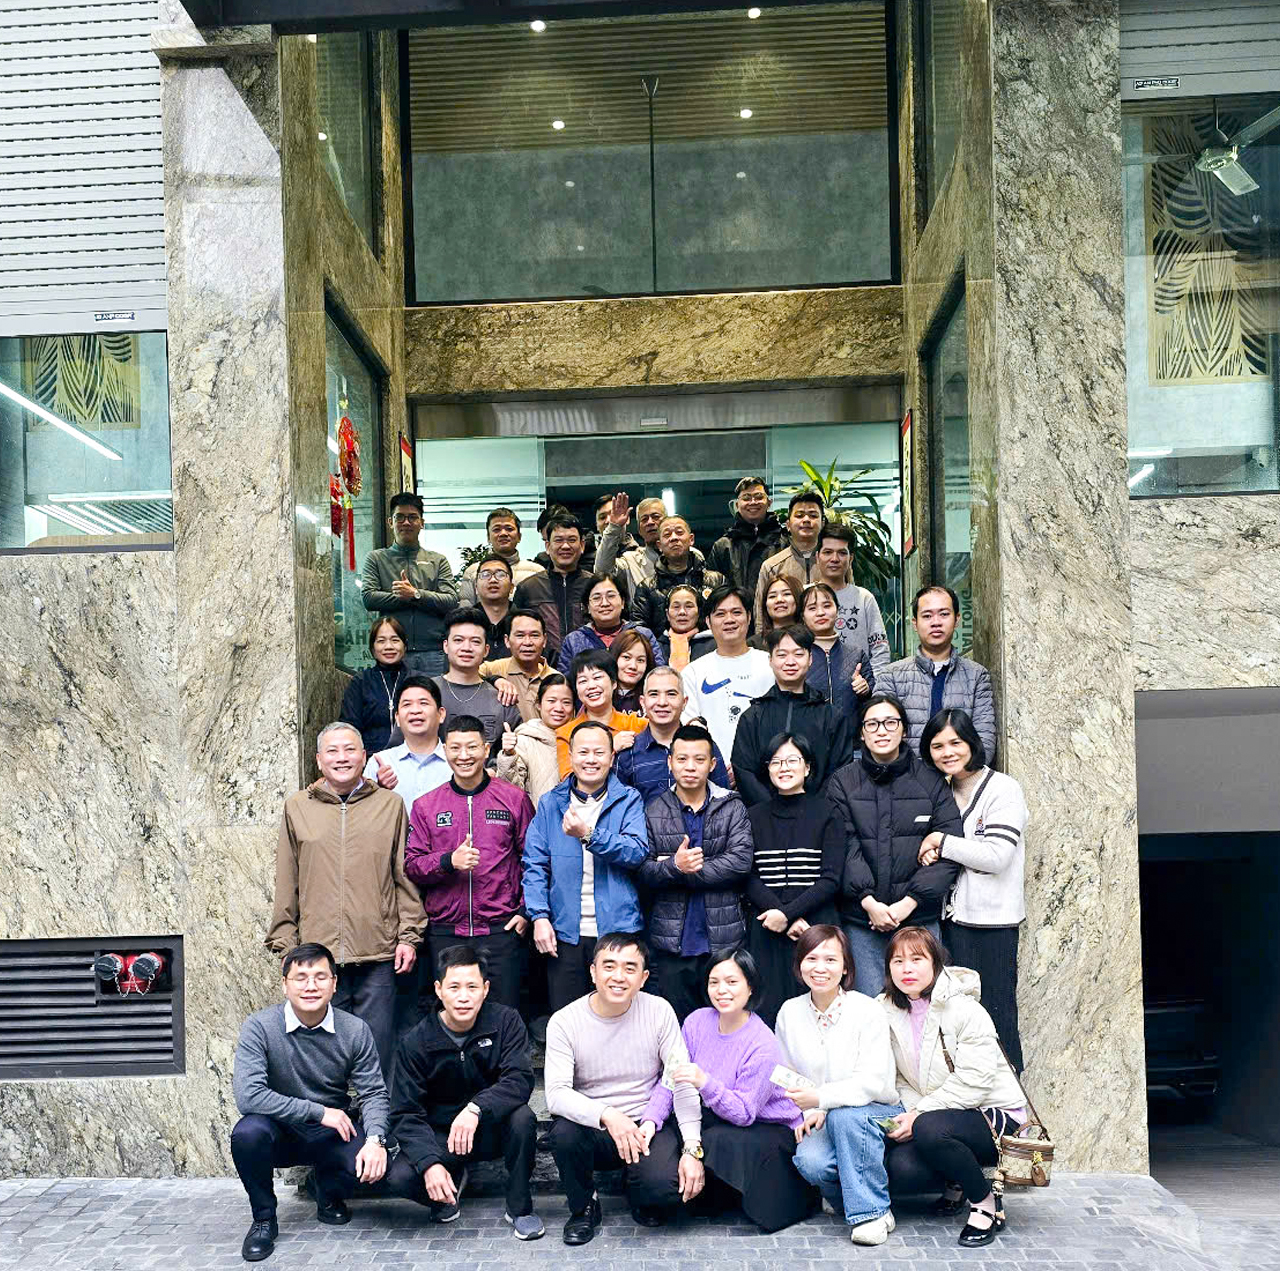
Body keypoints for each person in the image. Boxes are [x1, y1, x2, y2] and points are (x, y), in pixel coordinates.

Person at [267, 723, 424, 1076]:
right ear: (319, 760)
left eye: (350, 750)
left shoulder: (390, 805)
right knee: (321, 1054)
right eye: (333, 751)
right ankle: (327, 1111)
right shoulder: (297, 807)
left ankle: (378, 1112)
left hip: (378, 951)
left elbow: (405, 877)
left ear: (364, 757)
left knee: (377, 1051)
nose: (342, 758)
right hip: (316, 955)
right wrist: (286, 944)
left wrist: (408, 936)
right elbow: (287, 880)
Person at [231, 943, 390, 1263]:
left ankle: (327, 1190)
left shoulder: (354, 1029)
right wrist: (317, 1112)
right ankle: (264, 1218)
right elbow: (249, 1095)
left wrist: (375, 1140)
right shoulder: (259, 1026)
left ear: (334, 983)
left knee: (376, 1167)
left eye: (320, 977)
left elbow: (373, 1093)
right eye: (300, 977)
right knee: (247, 1134)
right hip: (280, 1130)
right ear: (284, 984)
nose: (311, 986)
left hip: (331, 1132)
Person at [543, 934, 705, 1244]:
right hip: (594, 1126)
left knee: (666, 1191)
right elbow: (557, 1094)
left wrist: (691, 1148)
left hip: (646, 1125)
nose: (619, 976)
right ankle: (584, 1206)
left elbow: (680, 1079)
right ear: (593, 972)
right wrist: (607, 1115)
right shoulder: (565, 1021)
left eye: (630, 968)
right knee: (563, 1134)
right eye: (609, 966)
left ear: (643, 978)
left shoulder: (659, 1011)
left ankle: (639, 1189)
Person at [651, 947, 817, 1232]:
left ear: (750, 987)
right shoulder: (696, 1022)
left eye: (732, 982)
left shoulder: (762, 1043)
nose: (722, 990)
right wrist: (651, 1119)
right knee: (675, 1142)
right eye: (714, 982)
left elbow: (744, 1112)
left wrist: (704, 1082)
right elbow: (672, 1076)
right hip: (720, 1116)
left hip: (768, 1126)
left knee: (713, 1139)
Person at [384, 945, 544, 1239]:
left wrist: (476, 1108)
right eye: (454, 987)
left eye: (472, 987)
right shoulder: (416, 1041)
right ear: (438, 989)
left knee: (523, 1118)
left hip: (491, 1126)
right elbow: (405, 1112)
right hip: (443, 1136)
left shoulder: (506, 1021)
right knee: (400, 1176)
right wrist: (429, 1163)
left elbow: (519, 1079)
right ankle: (447, 1191)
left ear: (485, 989)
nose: (463, 996)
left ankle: (520, 1208)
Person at [881, 926, 1026, 1249]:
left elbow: (975, 1082)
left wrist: (918, 1114)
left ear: (935, 963)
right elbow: (901, 1078)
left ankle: (984, 1202)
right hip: (939, 1115)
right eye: (898, 961)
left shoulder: (965, 1009)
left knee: (929, 1130)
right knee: (903, 1167)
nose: (907, 969)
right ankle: (957, 1181)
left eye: (917, 959)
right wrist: (912, 1112)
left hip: (995, 1115)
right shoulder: (888, 1010)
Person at [825, 695, 963, 997]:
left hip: (919, 920)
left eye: (890, 722)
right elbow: (842, 846)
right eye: (872, 724)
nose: (882, 731)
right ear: (862, 733)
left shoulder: (930, 780)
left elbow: (949, 846)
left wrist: (910, 902)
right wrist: (869, 902)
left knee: (924, 1009)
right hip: (863, 922)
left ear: (904, 730)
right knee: (870, 1010)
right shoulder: (843, 782)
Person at [775, 925, 903, 1246]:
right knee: (811, 1163)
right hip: (825, 1113)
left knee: (847, 1118)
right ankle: (849, 1199)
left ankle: (872, 1214)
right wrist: (810, 1111)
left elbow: (872, 1082)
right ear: (799, 964)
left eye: (831, 960)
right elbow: (788, 1074)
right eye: (811, 958)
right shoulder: (789, 1012)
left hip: (884, 1114)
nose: (820, 967)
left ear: (845, 967)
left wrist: (821, 1099)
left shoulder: (867, 1010)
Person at [919, 708, 1028, 1071]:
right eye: (937, 746)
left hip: (992, 924)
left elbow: (997, 856)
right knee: (959, 1023)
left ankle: (1011, 1097)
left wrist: (941, 842)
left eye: (955, 743)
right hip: (951, 922)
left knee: (997, 1018)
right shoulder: (942, 790)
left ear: (972, 743)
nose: (947, 752)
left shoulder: (1003, 789)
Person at [405, 715, 535, 1010]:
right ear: (445, 751)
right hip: (446, 930)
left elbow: (534, 858)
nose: (464, 756)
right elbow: (412, 864)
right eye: (455, 748)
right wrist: (448, 861)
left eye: (472, 747)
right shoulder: (426, 805)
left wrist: (526, 910)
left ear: (486, 749)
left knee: (504, 1014)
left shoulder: (514, 799)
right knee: (452, 1015)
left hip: (501, 929)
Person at [523, 722, 650, 1011]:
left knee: (618, 1016)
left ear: (612, 757)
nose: (590, 760)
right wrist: (539, 916)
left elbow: (636, 852)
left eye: (599, 752)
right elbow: (535, 864)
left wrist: (588, 835)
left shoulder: (628, 799)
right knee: (567, 1016)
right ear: (570, 756)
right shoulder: (551, 803)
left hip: (618, 929)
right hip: (565, 931)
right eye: (583, 752)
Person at [639, 724, 754, 1022]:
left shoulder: (732, 806)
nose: (690, 767)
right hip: (672, 943)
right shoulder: (654, 810)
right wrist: (675, 866)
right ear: (670, 762)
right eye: (682, 759)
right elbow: (644, 871)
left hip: (723, 940)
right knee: (677, 1027)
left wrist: (683, 871)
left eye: (699, 759)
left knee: (726, 1023)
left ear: (712, 764)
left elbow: (740, 862)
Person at [743, 733, 845, 1026]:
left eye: (792, 760)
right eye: (776, 762)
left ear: (807, 767)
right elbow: (747, 875)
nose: (784, 768)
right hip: (767, 927)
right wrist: (782, 917)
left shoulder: (828, 812)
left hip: (816, 926)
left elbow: (831, 879)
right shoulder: (752, 816)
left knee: (819, 1013)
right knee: (767, 1012)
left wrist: (787, 915)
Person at [730, 626, 853, 808]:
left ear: (810, 659)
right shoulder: (753, 717)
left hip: (819, 816)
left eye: (798, 654)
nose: (790, 662)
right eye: (781, 655)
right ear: (770, 660)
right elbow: (744, 771)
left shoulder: (831, 716)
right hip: (764, 817)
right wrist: (772, 810)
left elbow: (839, 771)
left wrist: (814, 810)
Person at [876, 585, 997, 761]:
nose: (936, 622)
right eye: (927, 616)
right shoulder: (891, 676)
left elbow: (985, 740)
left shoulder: (977, 676)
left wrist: (958, 773)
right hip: (906, 775)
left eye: (944, 614)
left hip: (959, 774)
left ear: (957, 619)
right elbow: (881, 736)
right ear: (915, 623)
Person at [360, 492, 458, 676]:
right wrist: (403, 596)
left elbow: (451, 600)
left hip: (433, 651)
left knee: (433, 695)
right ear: (390, 522)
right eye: (400, 517)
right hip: (392, 650)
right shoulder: (376, 558)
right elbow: (369, 597)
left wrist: (416, 594)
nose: (406, 522)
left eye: (412, 517)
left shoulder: (438, 560)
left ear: (422, 522)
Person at [680, 584, 774, 763]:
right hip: (713, 768)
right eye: (720, 614)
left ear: (749, 617)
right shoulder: (693, 673)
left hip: (764, 768)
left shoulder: (771, 665)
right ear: (708, 622)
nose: (729, 619)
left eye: (736, 612)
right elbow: (692, 729)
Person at [614, 667, 729, 805]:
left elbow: (724, 803)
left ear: (684, 702)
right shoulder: (628, 754)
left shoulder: (705, 747)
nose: (662, 702)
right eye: (654, 694)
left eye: (671, 694)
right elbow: (620, 809)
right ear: (643, 702)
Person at [432, 607, 521, 752]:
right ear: (446, 646)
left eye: (475, 641)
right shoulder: (426, 693)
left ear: (486, 650)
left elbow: (520, 751)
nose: (466, 648)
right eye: (458, 640)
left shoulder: (502, 697)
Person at [515, 513, 596, 662]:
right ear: (547, 546)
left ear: (582, 545)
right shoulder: (528, 588)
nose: (565, 546)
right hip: (541, 669)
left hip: (588, 668)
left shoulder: (594, 586)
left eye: (572, 540)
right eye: (558, 540)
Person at [554, 649, 647, 778]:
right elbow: (568, 781)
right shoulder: (565, 733)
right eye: (583, 681)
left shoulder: (637, 725)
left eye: (597, 677)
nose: (591, 686)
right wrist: (610, 748)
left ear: (614, 683)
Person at [814, 523, 890, 677]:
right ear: (817, 557)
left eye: (842, 553)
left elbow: (880, 650)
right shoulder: (804, 596)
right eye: (827, 552)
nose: (834, 559)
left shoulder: (864, 598)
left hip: (859, 687)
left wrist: (871, 684)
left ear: (851, 558)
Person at [630, 515, 725, 636]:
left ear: (691, 539)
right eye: (667, 535)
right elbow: (638, 631)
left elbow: (726, 618)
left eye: (679, 532)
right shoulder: (646, 588)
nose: (674, 538)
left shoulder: (717, 580)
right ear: (659, 545)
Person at [364, 676, 450, 808]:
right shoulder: (380, 763)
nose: (415, 711)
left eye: (423, 703)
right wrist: (378, 791)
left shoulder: (457, 761)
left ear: (441, 714)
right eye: (407, 704)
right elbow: (363, 814)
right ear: (397, 718)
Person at [556, 573, 663, 674]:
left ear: (623, 602)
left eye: (611, 596)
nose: (604, 603)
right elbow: (566, 682)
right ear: (587, 606)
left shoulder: (643, 635)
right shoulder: (574, 641)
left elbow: (659, 674)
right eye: (596, 598)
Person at [494, 672, 575, 806]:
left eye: (566, 702)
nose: (559, 708)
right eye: (551, 701)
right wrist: (508, 756)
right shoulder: (524, 740)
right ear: (538, 704)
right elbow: (510, 792)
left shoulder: (581, 739)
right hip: (536, 817)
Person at [752, 490, 827, 633]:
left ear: (822, 524)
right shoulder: (771, 566)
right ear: (788, 525)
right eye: (799, 515)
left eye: (813, 515)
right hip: (785, 642)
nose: (806, 520)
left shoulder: (834, 563)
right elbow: (761, 618)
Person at [340, 618, 412, 756]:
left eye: (395, 640)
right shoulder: (360, 682)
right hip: (371, 759)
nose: (388, 646)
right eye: (381, 641)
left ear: (405, 645)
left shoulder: (417, 680)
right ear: (372, 648)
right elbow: (349, 728)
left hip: (412, 758)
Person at [708, 476, 785, 594]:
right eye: (746, 498)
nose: (753, 502)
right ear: (737, 505)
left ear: (769, 503)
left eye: (759, 497)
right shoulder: (723, 546)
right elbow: (714, 590)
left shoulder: (785, 540)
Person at [802, 582, 869, 717]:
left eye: (827, 606)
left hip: (849, 729)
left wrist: (866, 690)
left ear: (837, 611)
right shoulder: (798, 655)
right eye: (812, 608)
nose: (820, 613)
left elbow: (873, 703)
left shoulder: (857, 655)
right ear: (803, 617)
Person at [479, 608, 555, 723]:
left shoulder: (556, 678)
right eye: (520, 635)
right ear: (507, 641)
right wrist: (494, 679)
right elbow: (463, 678)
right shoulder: (492, 669)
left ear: (544, 640)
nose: (527, 642)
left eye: (534, 635)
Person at [457, 507, 545, 603]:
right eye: (496, 529)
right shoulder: (473, 572)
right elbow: (465, 610)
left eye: (509, 529)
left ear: (519, 536)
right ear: (488, 537)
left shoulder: (536, 572)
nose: (503, 533)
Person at [594, 491, 668, 593]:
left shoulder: (688, 554)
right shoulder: (631, 561)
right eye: (644, 519)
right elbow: (602, 572)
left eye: (655, 517)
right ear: (639, 530)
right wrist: (614, 527)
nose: (650, 522)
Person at [469, 553, 516, 660]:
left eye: (500, 574)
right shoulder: (463, 623)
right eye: (485, 574)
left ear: (511, 587)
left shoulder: (525, 624)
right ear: (476, 588)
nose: (493, 580)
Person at [657, 584, 715, 669]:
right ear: (667, 614)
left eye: (688, 606)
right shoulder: (655, 647)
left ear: (698, 613)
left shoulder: (715, 645)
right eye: (676, 607)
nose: (682, 612)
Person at [750, 574, 804, 650]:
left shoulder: (811, 639)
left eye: (786, 594)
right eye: (772, 596)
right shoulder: (754, 645)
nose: (779, 600)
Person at [609, 627, 655, 714]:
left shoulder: (653, 700)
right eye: (626, 657)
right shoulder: (601, 696)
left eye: (640, 660)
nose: (633, 666)